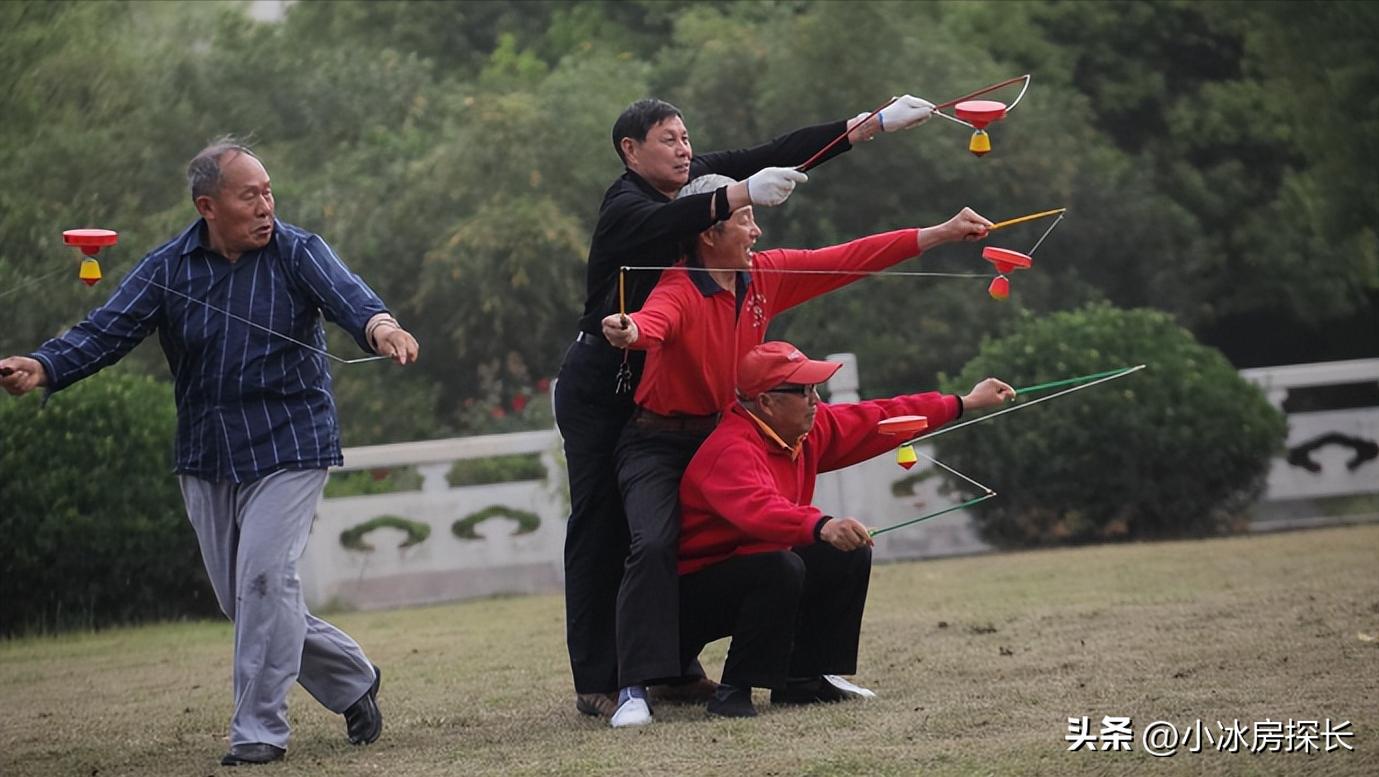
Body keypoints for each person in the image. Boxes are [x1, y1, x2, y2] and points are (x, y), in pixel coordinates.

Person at [0, 138, 419, 767]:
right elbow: (106, 331)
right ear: (208, 206)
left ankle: (259, 732)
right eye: (249, 195)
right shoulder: (168, 267)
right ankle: (353, 679)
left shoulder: (297, 250)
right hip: (207, 450)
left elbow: (352, 298)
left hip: (291, 440)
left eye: (269, 191)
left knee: (263, 581)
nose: (265, 205)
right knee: (244, 599)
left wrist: (382, 328)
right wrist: (42, 365)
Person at [556, 94, 938, 720]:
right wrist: (738, 197)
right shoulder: (625, 206)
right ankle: (608, 679)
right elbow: (670, 258)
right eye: (667, 139)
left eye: (686, 137)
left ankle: (688, 669)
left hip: (684, 398)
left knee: (713, 532)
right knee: (615, 531)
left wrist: (871, 125)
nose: (683, 148)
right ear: (630, 151)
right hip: (607, 386)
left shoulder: (717, 215)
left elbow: (773, 155)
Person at [596, 173, 992, 726]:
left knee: (783, 556)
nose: (757, 231)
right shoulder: (680, 287)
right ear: (708, 233)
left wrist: (939, 234)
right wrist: (632, 331)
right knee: (655, 543)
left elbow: (848, 259)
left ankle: (805, 674)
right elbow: (655, 322)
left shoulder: (764, 277)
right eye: (745, 219)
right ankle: (633, 687)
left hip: (722, 425)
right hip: (659, 440)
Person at [676, 342, 1014, 717]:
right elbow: (758, 510)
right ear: (766, 403)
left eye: (815, 389)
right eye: (802, 391)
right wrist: (821, 525)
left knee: (843, 553)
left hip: (755, 574)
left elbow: (880, 418)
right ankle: (732, 694)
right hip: (688, 601)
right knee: (779, 567)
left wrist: (963, 402)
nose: (814, 400)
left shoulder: (804, 431)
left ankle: (803, 681)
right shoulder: (731, 448)